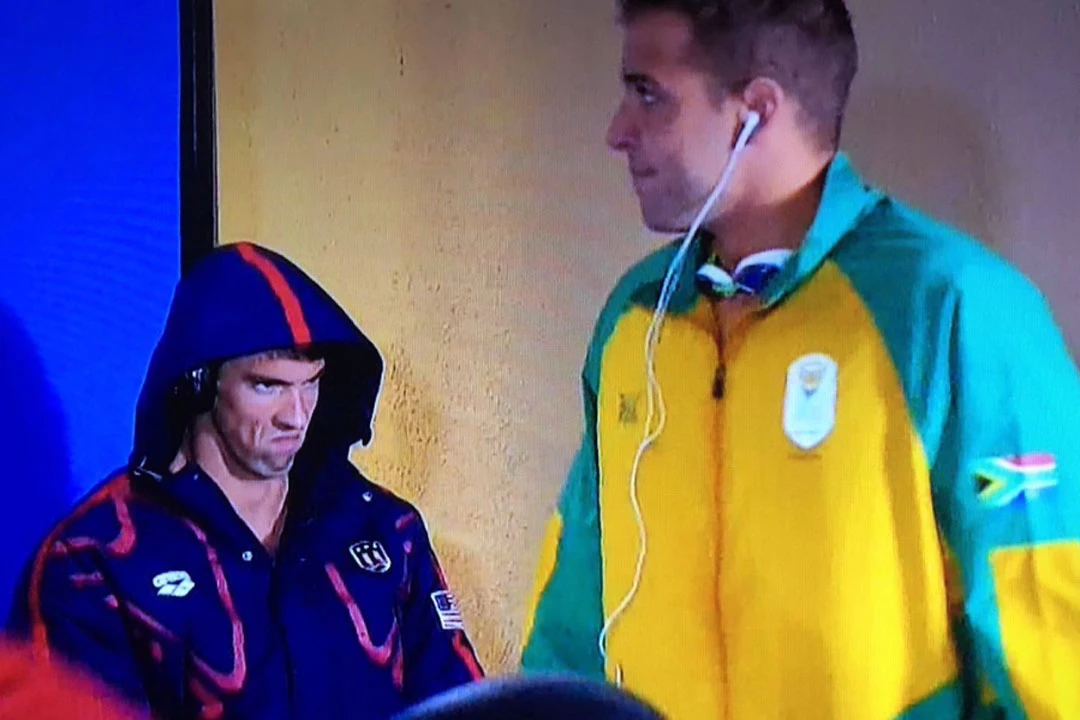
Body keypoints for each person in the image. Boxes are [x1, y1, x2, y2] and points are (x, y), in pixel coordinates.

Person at [520, 1, 1080, 718]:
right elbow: (575, 606)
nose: (617, 131)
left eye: (648, 93)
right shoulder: (638, 317)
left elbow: (1052, 642)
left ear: (754, 110)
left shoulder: (953, 308)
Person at [8, 242, 483, 719]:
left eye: (311, 383)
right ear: (199, 384)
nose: (295, 417)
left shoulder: (385, 529)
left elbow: (462, 706)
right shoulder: (95, 558)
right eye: (267, 386)